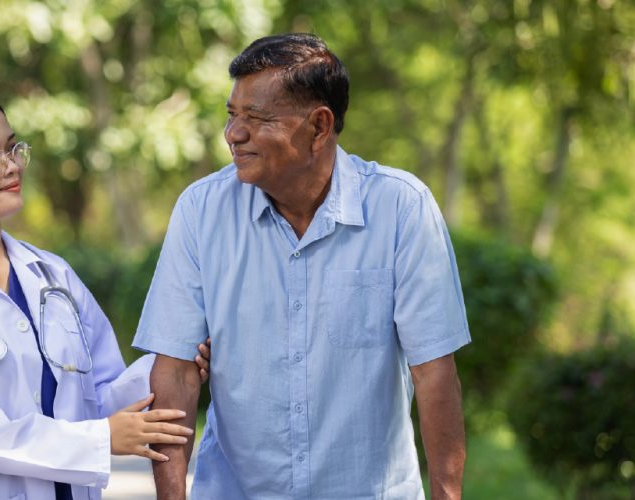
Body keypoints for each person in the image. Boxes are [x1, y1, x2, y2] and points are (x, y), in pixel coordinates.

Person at [133, 33, 471, 499]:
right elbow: (174, 372)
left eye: (257, 118)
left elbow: (433, 372)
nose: (234, 133)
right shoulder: (201, 211)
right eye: (232, 116)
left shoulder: (401, 209)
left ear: (319, 126)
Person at [0, 89, 211, 500]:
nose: (12, 165)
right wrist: (98, 440)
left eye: (12, 147)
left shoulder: (53, 276)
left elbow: (101, 392)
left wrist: (175, 358)